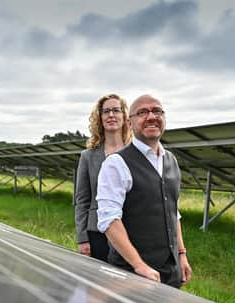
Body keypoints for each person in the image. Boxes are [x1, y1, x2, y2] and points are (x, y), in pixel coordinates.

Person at [96, 94, 192, 287]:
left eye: (157, 111)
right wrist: (139, 265)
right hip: (132, 275)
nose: (151, 116)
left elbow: (173, 212)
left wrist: (181, 254)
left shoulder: (170, 160)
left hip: (170, 271)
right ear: (130, 123)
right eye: (142, 112)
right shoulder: (116, 163)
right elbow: (109, 220)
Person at [75, 94, 132, 261]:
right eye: (106, 111)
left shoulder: (136, 154)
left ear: (124, 116)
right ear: (100, 118)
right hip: (97, 232)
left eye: (116, 110)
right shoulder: (88, 156)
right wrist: (82, 238)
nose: (111, 115)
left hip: (130, 231)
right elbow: (82, 200)